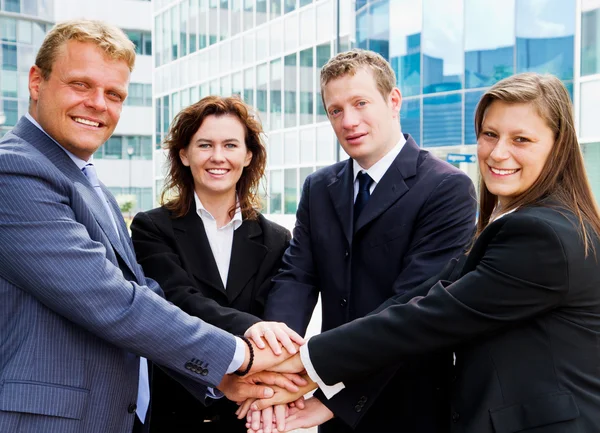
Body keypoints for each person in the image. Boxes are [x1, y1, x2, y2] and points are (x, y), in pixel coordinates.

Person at [0, 20, 302, 433]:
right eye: (80, 85)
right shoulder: (13, 170)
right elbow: (110, 300)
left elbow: (144, 293)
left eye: (114, 94)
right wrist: (242, 355)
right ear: (37, 82)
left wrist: (221, 374)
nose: (98, 104)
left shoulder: (87, 181)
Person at [259, 72, 600, 433]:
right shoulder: (520, 222)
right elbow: (428, 295)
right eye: (489, 135)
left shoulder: (542, 234)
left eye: (521, 139)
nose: (499, 153)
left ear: (558, 145)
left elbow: (431, 316)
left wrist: (305, 361)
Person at [252, 49, 477, 433]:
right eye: (335, 110)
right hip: (335, 413)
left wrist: (331, 394)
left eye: (360, 103)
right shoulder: (319, 187)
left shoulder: (446, 188)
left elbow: (411, 304)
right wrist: (271, 373)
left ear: (393, 101)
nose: (349, 121)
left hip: (409, 405)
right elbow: (297, 277)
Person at [130, 96, 294, 432]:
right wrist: (250, 326)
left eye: (230, 145)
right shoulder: (151, 228)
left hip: (247, 416)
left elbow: (276, 320)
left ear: (248, 155)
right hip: (173, 413)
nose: (217, 157)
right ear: (184, 155)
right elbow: (176, 299)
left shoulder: (276, 239)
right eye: (205, 145)